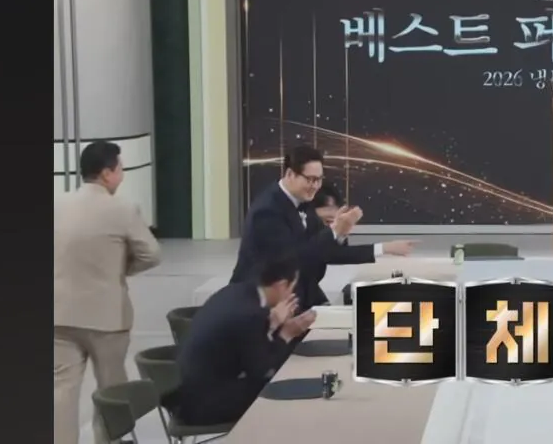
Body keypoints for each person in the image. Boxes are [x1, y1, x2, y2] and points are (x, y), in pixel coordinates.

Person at [54, 141, 162, 444]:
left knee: (61, 390)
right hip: (107, 318)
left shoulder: (57, 204)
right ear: (106, 173)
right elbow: (151, 254)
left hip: (59, 314)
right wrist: (121, 269)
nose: (122, 175)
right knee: (111, 390)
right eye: (120, 169)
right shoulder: (123, 209)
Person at [230, 145, 418, 309]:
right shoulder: (267, 211)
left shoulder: (302, 201)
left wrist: (379, 246)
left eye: (319, 180)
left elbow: (326, 251)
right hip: (258, 302)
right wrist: (335, 230)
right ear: (290, 174)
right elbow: (293, 260)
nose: (315, 186)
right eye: (310, 179)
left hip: (297, 292)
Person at [172, 257, 316, 426]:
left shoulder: (234, 292)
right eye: (292, 288)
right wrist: (286, 334)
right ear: (282, 285)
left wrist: (272, 324)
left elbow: (245, 343)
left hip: (189, 394)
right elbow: (263, 370)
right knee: (286, 387)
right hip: (207, 404)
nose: (292, 294)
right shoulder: (251, 315)